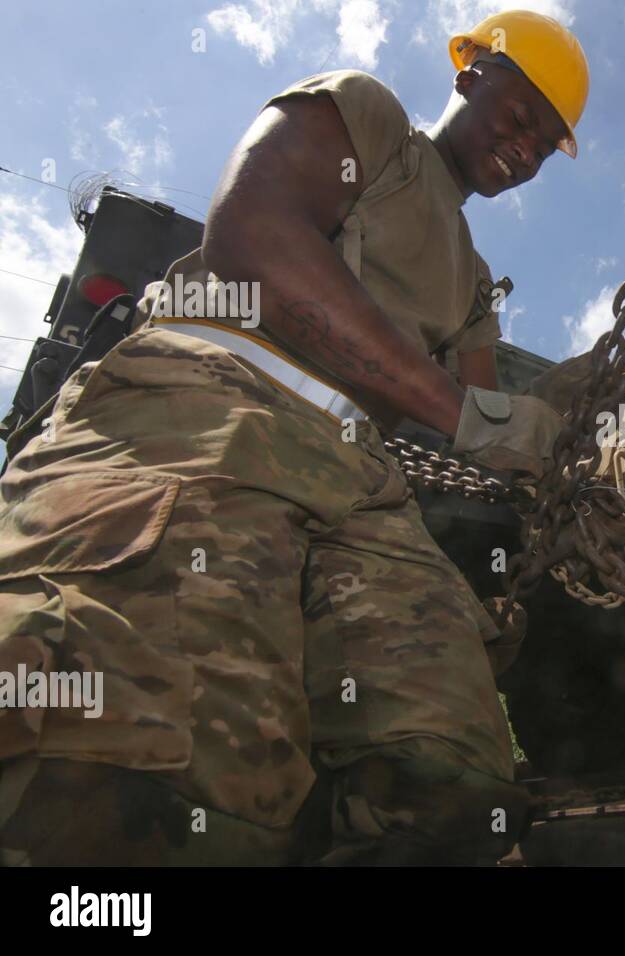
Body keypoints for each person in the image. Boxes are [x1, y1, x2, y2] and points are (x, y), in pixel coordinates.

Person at [0, 10, 588, 865]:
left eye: (545, 143)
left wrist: (577, 425)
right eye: (521, 115)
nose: (525, 148)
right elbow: (250, 235)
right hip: (209, 405)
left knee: (451, 783)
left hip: (358, 485)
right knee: (125, 757)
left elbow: (477, 432)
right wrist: (463, 412)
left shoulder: (471, 286)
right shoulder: (371, 120)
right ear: (470, 75)